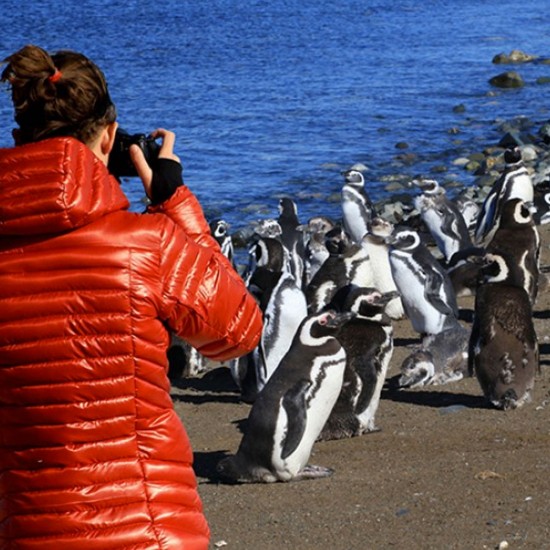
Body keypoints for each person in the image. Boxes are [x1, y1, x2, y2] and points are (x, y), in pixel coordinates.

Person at [0, 44, 263, 549]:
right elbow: (239, 331)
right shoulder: (147, 244)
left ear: (18, 140)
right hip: (150, 530)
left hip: (30, 531)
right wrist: (173, 203)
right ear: (109, 138)